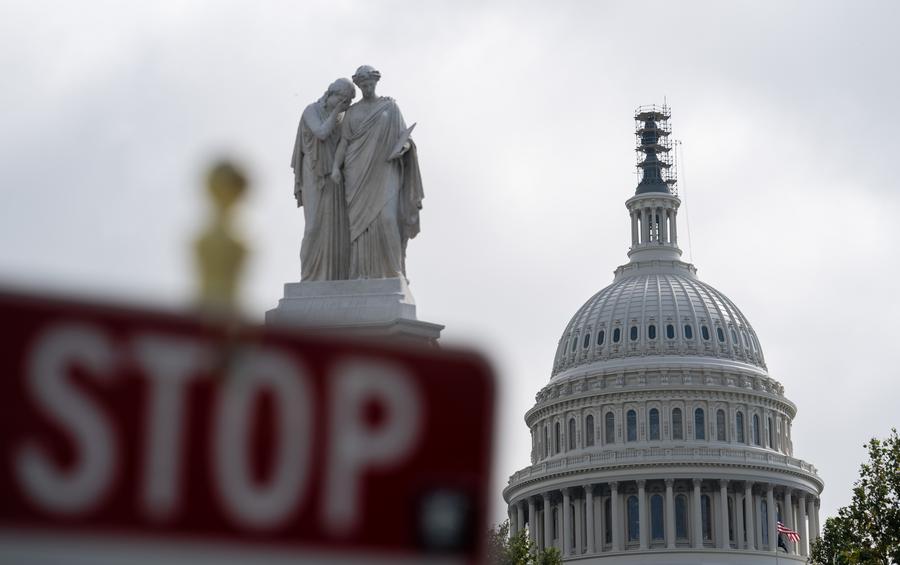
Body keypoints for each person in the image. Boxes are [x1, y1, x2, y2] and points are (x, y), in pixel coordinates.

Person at [331, 65, 424, 280]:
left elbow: (405, 138)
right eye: (363, 85)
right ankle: (360, 273)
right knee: (359, 227)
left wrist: (404, 148)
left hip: (385, 168)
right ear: (359, 86)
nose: (367, 87)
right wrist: (336, 167)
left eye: (370, 84)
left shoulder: (390, 108)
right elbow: (344, 142)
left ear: (376, 83)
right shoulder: (352, 112)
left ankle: (395, 271)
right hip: (356, 170)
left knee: (387, 219)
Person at [291, 77, 355, 281]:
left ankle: (334, 277)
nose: (346, 105)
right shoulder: (311, 110)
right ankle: (309, 276)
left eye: (349, 102)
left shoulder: (344, 118)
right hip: (314, 173)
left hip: (335, 177)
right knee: (313, 227)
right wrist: (337, 112)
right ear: (331, 94)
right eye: (343, 99)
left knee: (336, 229)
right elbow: (321, 133)